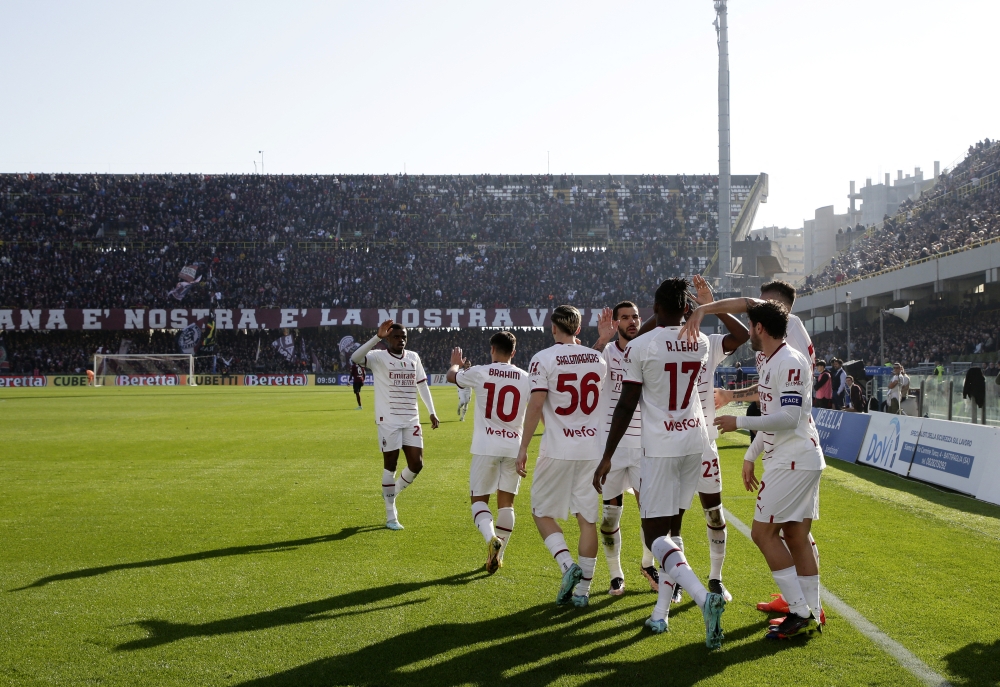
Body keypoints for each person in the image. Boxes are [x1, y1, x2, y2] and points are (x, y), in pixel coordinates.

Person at [594, 278, 727, 648]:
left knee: (656, 538)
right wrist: (703, 308)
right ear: (687, 309)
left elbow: (625, 405)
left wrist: (606, 456)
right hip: (696, 444)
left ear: (653, 309)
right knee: (674, 532)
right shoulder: (698, 341)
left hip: (661, 449)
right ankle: (660, 613)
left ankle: (704, 597)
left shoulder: (640, 346)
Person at [682, 282, 822, 621]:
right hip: (791, 451)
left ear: (768, 321)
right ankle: (811, 610)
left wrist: (739, 423)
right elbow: (776, 401)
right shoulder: (775, 356)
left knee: (763, 533)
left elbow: (789, 414)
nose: (751, 325)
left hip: (792, 456)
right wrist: (750, 453)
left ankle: (800, 611)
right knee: (796, 535)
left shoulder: (789, 354)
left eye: (757, 315)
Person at [516, 305, 607, 608]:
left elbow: (535, 406)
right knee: (587, 521)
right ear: (578, 329)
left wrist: (522, 448)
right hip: (592, 450)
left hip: (558, 448)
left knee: (541, 511)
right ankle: (582, 594)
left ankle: (568, 567)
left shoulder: (542, 359)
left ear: (552, 328)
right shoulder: (598, 358)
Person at [447, 332, 529, 574]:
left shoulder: (481, 371)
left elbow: (453, 377)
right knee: (507, 506)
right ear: (513, 352)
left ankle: (491, 538)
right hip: (514, 447)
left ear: (492, 349)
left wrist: (455, 363)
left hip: (486, 447)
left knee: (479, 501)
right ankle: (497, 556)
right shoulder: (526, 378)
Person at [591, 300, 658, 596]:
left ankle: (648, 563)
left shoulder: (649, 350)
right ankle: (616, 574)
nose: (632, 321)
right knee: (610, 515)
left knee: (651, 511)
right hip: (611, 448)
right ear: (615, 322)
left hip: (645, 446)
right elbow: (585, 376)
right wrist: (601, 340)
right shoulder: (605, 352)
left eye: (635, 317)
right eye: (625, 318)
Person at [351, 320, 440, 530]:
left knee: (417, 464)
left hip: (411, 419)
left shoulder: (413, 357)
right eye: (396, 337)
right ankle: (391, 515)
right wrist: (376, 337)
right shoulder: (378, 357)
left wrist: (432, 411)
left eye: (404, 337)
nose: (401, 340)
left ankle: (393, 491)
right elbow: (355, 357)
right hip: (388, 420)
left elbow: (422, 385)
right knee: (390, 466)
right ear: (388, 338)